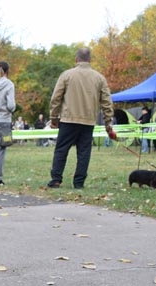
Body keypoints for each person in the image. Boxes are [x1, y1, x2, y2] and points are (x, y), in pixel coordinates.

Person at [47, 48, 114, 189]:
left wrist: (54, 117)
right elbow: (107, 102)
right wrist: (108, 122)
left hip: (68, 119)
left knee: (61, 150)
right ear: (90, 60)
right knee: (84, 152)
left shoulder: (66, 75)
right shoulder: (99, 78)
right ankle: (79, 182)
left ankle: (56, 179)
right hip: (88, 121)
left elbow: (56, 98)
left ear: (76, 60)